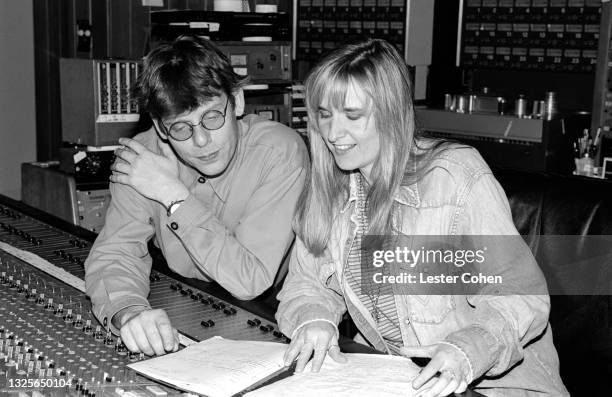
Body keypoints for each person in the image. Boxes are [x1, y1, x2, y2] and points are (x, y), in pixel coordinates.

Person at [276, 39, 568, 396]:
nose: (334, 134)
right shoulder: (331, 189)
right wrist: (315, 317)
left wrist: (467, 348)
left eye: (352, 115)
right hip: (404, 382)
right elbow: (306, 283)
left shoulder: (456, 177)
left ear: (391, 113)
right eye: (325, 114)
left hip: (496, 388)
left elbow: (520, 295)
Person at [85, 35, 308, 357]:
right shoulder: (141, 160)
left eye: (213, 117)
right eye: (181, 128)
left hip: (272, 309)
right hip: (186, 296)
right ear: (161, 128)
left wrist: (174, 196)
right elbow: (117, 251)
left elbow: (250, 280)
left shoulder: (278, 152)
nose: (202, 141)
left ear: (238, 101)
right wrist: (128, 311)